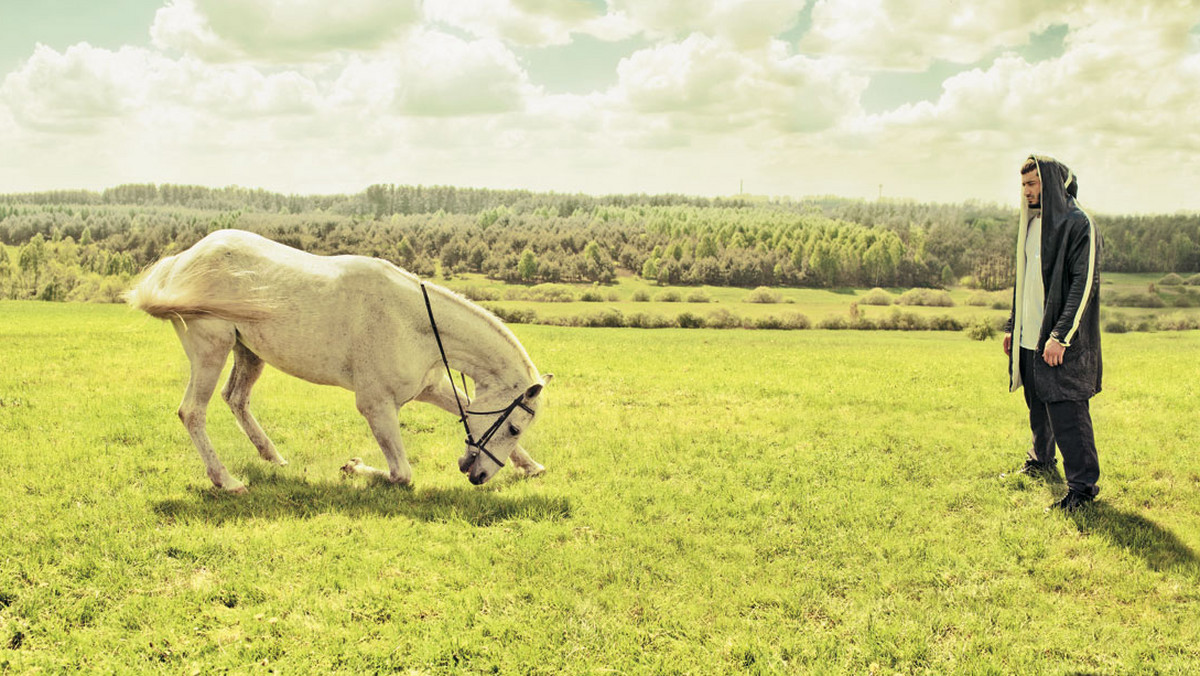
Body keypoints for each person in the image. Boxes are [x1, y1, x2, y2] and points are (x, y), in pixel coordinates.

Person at [1002, 154, 1103, 512]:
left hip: (1062, 342)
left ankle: (1082, 488)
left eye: (1033, 184)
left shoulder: (1079, 224)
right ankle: (1041, 459)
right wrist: (1014, 327)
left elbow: (1083, 284)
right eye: (1024, 185)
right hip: (1030, 338)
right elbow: (1024, 282)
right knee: (1037, 404)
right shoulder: (1032, 224)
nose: (1026, 192)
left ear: (1053, 186)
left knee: (1068, 412)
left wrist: (1060, 335)